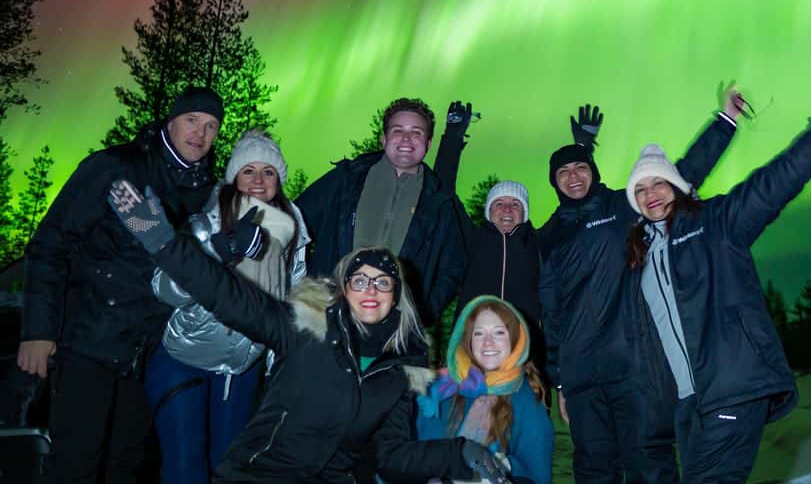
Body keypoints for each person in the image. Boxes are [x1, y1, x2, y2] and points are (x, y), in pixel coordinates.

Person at [105, 181, 513, 484]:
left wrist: (458, 453)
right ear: (342, 290)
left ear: (396, 296)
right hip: (260, 477)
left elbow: (391, 456)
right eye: (360, 281)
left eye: (383, 282)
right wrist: (160, 238)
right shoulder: (303, 327)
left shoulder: (404, 368)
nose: (371, 290)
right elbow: (224, 294)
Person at [623, 107, 811, 483]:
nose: (650, 194)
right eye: (640, 189)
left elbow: (767, 188)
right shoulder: (642, 253)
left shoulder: (714, 223)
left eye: (659, 184)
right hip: (688, 402)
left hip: (731, 387)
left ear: (677, 187)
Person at [17, 86, 223, 484]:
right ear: (171, 121)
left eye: (211, 125)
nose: (200, 132)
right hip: (89, 340)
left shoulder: (206, 194)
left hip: (147, 352)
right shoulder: (116, 166)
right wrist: (38, 332)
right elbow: (51, 243)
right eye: (192, 120)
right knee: (75, 463)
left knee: (126, 464)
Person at [538, 93, 746, 484]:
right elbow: (550, 314)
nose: (573, 176)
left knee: (648, 464)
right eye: (563, 172)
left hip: (634, 369)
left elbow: (680, 178)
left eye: (580, 167)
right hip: (582, 377)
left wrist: (725, 122)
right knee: (594, 469)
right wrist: (560, 381)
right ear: (554, 181)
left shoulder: (623, 208)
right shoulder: (548, 237)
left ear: (592, 172)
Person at [145, 129, 311, 484]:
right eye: (248, 170)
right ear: (234, 177)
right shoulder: (207, 223)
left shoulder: (292, 234)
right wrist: (220, 251)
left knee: (230, 470)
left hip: (241, 371)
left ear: (278, 180)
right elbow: (162, 287)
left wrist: (283, 368)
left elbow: (291, 307)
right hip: (183, 360)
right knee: (185, 468)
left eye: (268, 171)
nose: (257, 180)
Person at [297, 98, 469, 323]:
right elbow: (295, 221)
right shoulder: (346, 180)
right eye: (398, 130)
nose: (407, 138)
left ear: (427, 143)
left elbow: (454, 268)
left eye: (416, 132)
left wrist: (421, 312)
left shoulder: (440, 204)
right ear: (384, 139)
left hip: (394, 325)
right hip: (329, 313)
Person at [417, 295, 554, 484]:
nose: (488, 342)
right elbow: (413, 454)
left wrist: (501, 465)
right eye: (479, 333)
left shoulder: (526, 398)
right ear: (467, 341)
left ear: (515, 340)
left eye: (499, 333)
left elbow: (536, 474)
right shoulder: (442, 389)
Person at [455, 181, 541, 336]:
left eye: (516, 204)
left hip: (525, 344)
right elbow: (446, 190)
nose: (507, 209)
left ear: (524, 213)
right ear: (489, 211)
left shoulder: (539, 244)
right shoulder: (471, 240)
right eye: (499, 203)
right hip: (474, 342)